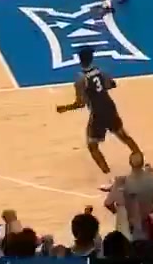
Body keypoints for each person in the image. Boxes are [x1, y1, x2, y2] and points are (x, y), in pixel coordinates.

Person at [55, 47, 142, 190]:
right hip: (110, 108)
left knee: (92, 146)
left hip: (98, 114)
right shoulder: (100, 71)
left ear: (79, 60)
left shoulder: (80, 79)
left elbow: (80, 103)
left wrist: (65, 108)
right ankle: (141, 165)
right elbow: (112, 84)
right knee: (125, 137)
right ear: (91, 59)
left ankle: (110, 178)